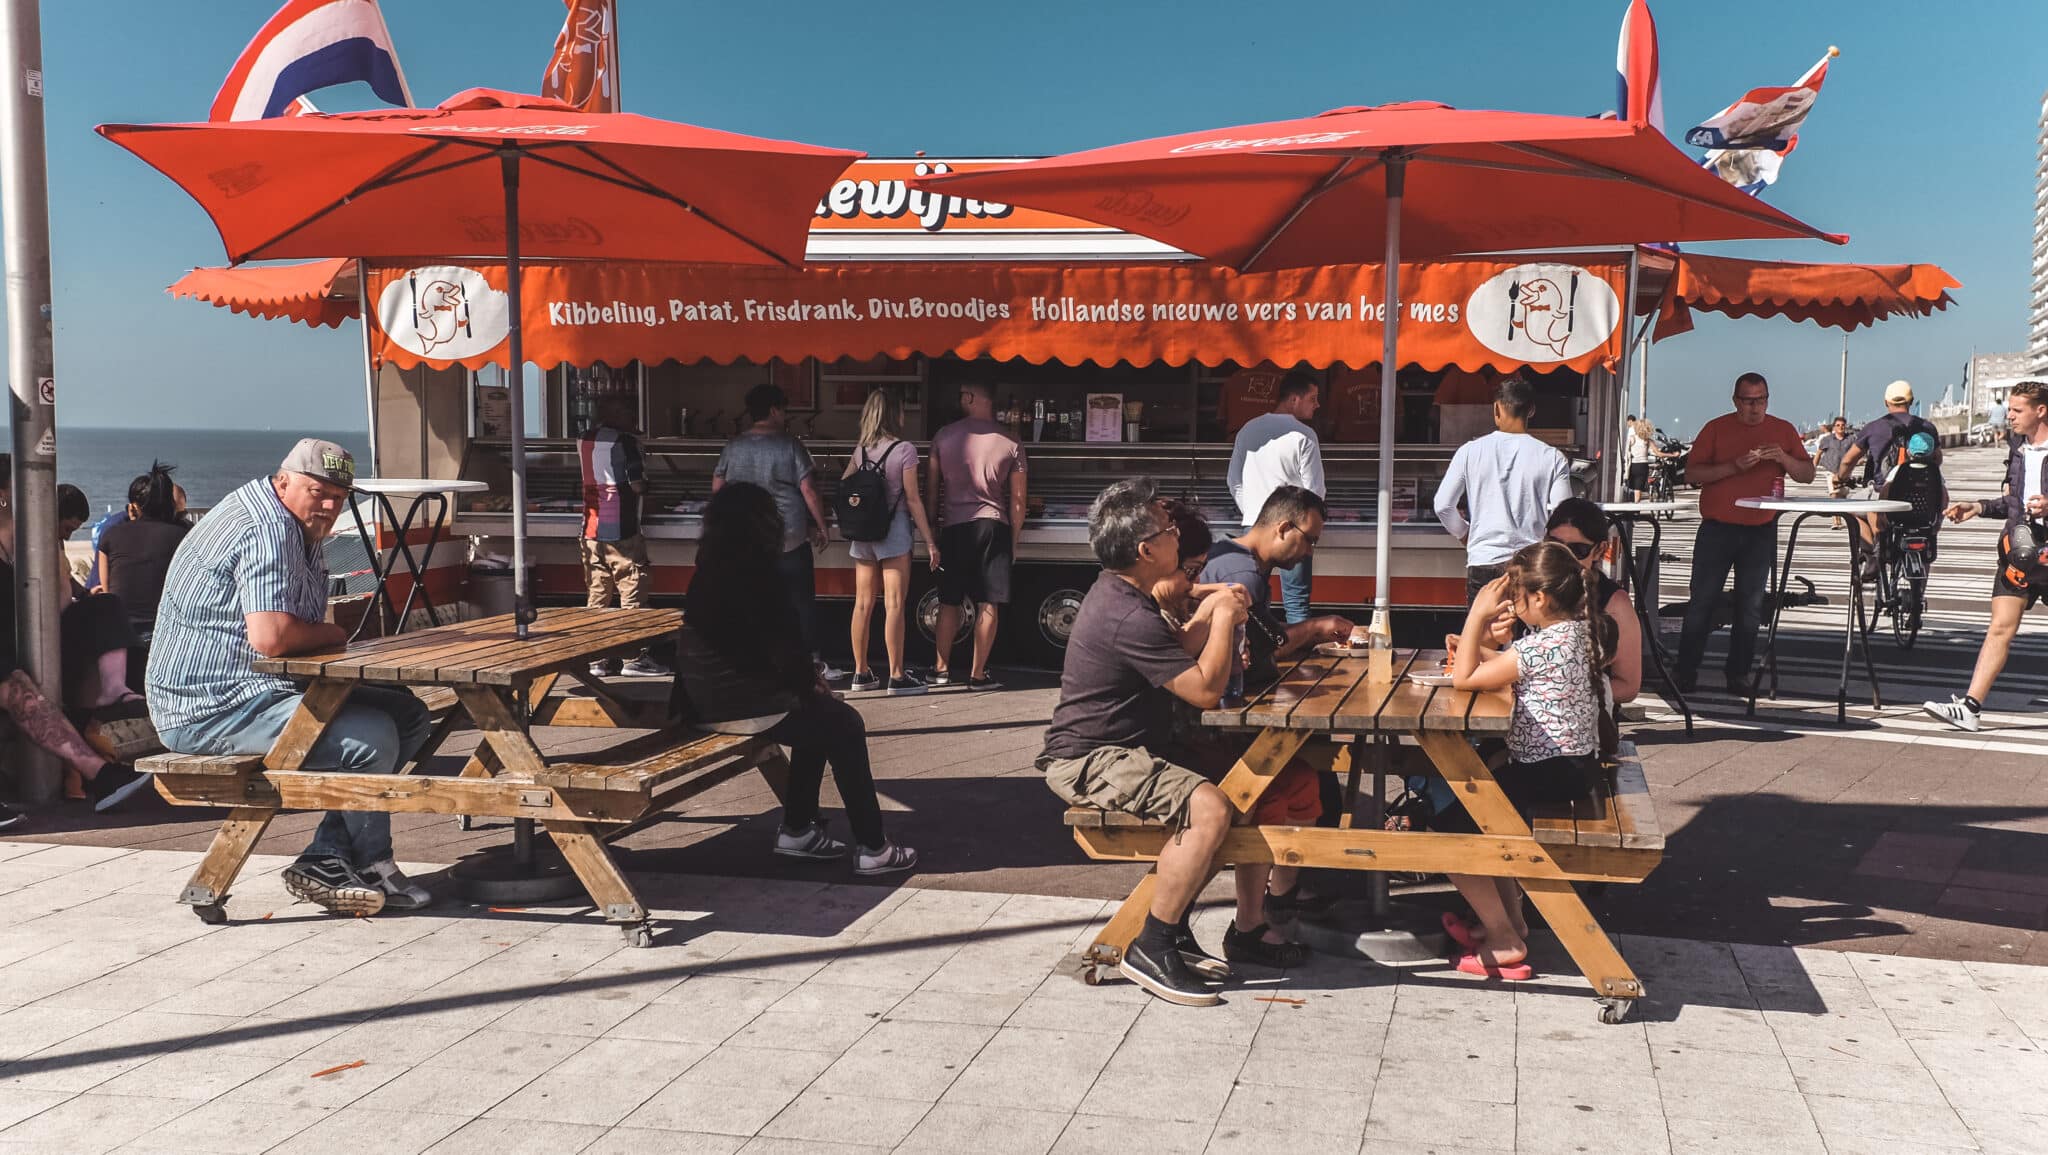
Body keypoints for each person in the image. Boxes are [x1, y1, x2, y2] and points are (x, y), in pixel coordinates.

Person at [149, 439, 436, 916]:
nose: (328, 506)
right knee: (371, 740)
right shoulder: (268, 528)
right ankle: (370, 862)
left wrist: (322, 637)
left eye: (339, 498)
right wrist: (334, 633)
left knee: (408, 714)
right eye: (317, 492)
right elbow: (273, 637)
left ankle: (328, 856)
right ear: (283, 482)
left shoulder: (297, 524)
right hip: (211, 706)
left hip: (260, 688)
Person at [1038, 478, 1249, 1006]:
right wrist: (1224, 618)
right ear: (1146, 550)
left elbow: (1171, 649)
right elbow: (1204, 690)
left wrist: (1209, 610)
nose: (1177, 535)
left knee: (1239, 786)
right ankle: (1152, 947)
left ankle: (1172, 931)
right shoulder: (1126, 612)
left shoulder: (1123, 594)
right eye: (1169, 529)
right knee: (1209, 809)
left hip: (1123, 748)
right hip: (1089, 758)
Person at [671, 482, 917, 874]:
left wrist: (808, 688)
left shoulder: (708, 569)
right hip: (742, 703)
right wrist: (812, 683)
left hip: (701, 702)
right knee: (845, 725)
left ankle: (798, 830)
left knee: (817, 719)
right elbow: (784, 647)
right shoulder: (758, 574)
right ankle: (874, 847)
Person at [1443, 541, 1617, 979]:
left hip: (1547, 771)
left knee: (1450, 832)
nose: (1511, 603)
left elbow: (1464, 680)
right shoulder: (1575, 633)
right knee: (1488, 815)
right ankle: (1512, 922)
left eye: (1516, 596)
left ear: (1538, 599)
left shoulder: (1540, 646)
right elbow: (1512, 665)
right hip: (1572, 768)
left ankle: (1504, 937)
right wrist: (1476, 648)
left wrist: (1476, 617)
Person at [1197, 486, 1355, 962]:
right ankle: (1253, 923)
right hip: (1218, 725)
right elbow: (1265, 650)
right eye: (1309, 539)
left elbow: (1262, 645)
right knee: (1277, 790)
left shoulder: (1233, 558)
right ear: (1283, 527)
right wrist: (1318, 627)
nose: (1309, 552)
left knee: (1307, 780)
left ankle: (1280, 899)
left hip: (1225, 715)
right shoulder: (1244, 572)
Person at [0, 456, 150, 817]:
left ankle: (114, 703)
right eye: (26, 489)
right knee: (13, 683)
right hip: (9, 654)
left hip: (28, 644)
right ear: (3, 497)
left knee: (108, 608)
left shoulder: (32, 542)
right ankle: (98, 774)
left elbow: (61, 599)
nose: (38, 497)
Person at [1675, 373, 1815, 696]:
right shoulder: (1716, 428)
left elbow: (1807, 474)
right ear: (1736, 401)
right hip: (1717, 528)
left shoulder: (1782, 430)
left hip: (1759, 530)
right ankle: (1685, 671)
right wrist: (1733, 467)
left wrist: (1783, 457)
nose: (1755, 408)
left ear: (1768, 399)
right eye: (1748, 401)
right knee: (1702, 602)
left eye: (1760, 400)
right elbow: (1692, 473)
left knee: (1750, 607)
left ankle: (1738, 673)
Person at [1923, 382, 2048, 732]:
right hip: (2019, 552)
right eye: (2009, 409)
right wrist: (1977, 507)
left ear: (2041, 410)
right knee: (1999, 628)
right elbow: (2014, 503)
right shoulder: (2018, 448)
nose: (2009, 416)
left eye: (2017, 410)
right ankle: (1970, 707)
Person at [713, 384, 835, 676]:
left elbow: (718, 487)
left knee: (752, 598)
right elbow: (809, 490)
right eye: (784, 410)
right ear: (773, 410)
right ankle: (810, 662)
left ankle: (753, 659)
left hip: (747, 537)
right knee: (799, 601)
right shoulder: (790, 445)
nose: (785, 415)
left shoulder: (733, 446)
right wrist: (821, 525)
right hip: (788, 537)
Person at [1432, 375, 1574, 603]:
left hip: (1484, 561)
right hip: (1531, 564)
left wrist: (1465, 534)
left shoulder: (1469, 452)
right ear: (1531, 411)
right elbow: (1564, 513)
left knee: (1482, 627)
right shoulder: (1552, 457)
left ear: (1496, 409)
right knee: (1527, 628)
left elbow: (1442, 505)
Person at [841, 389, 940, 694]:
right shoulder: (904, 450)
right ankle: (896, 675)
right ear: (895, 414)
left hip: (863, 532)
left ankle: (861, 673)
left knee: (862, 603)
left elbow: (844, 486)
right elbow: (913, 499)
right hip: (893, 531)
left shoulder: (860, 450)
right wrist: (930, 541)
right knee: (894, 603)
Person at [928, 382, 1026, 688]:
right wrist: (1013, 539)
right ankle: (978, 674)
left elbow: (931, 491)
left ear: (970, 398)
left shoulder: (943, 436)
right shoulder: (1011, 440)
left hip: (955, 526)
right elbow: (1018, 500)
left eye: (961, 395)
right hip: (994, 526)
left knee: (949, 601)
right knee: (988, 602)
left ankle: (941, 670)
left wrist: (932, 529)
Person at [579, 396, 668, 679]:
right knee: (632, 592)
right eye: (629, 413)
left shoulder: (584, 439)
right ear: (617, 414)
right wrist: (653, 490)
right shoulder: (625, 442)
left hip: (591, 528)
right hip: (621, 527)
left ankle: (597, 659)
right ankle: (634, 658)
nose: (633, 419)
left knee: (597, 595)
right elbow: (637, 484)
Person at [1227, 369, 1326, 623]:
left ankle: (1251, 644)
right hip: (1294, 529)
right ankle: (1299, 646)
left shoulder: (1248, 430)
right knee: (1296, 602)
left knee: (1250, 599)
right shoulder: (1304, 435)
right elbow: (1314, 490)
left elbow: (1233, 480)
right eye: (1313, 398)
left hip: (1254, 527)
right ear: (1294, 399)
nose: (1317, 405)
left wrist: (1253, 512)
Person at [1833, 380, 1944, 563]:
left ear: (1886, 402)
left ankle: (1872, 552)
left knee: (1850, 508)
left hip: (1884, 493)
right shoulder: (1927, 428)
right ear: (1911, 401)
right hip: (1923, 495)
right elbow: (1938, 459)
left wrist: (1840, 478)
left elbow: (1848, 461)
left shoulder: (1873, 427)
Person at [1545, 498, 1642, 706]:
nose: (1565, 557)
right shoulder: (1529, 583)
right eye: (1556, 546)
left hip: (1583, 716)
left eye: (1578, 549)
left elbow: (1628, 685)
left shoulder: (1614, 603)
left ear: (1600, 550)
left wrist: (1564, 692)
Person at [97, 461, 190, 643]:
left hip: (120, 629)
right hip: (168, 629)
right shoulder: (184, 537)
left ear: (135, 506)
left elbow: (107, 589)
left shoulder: (111, 535)